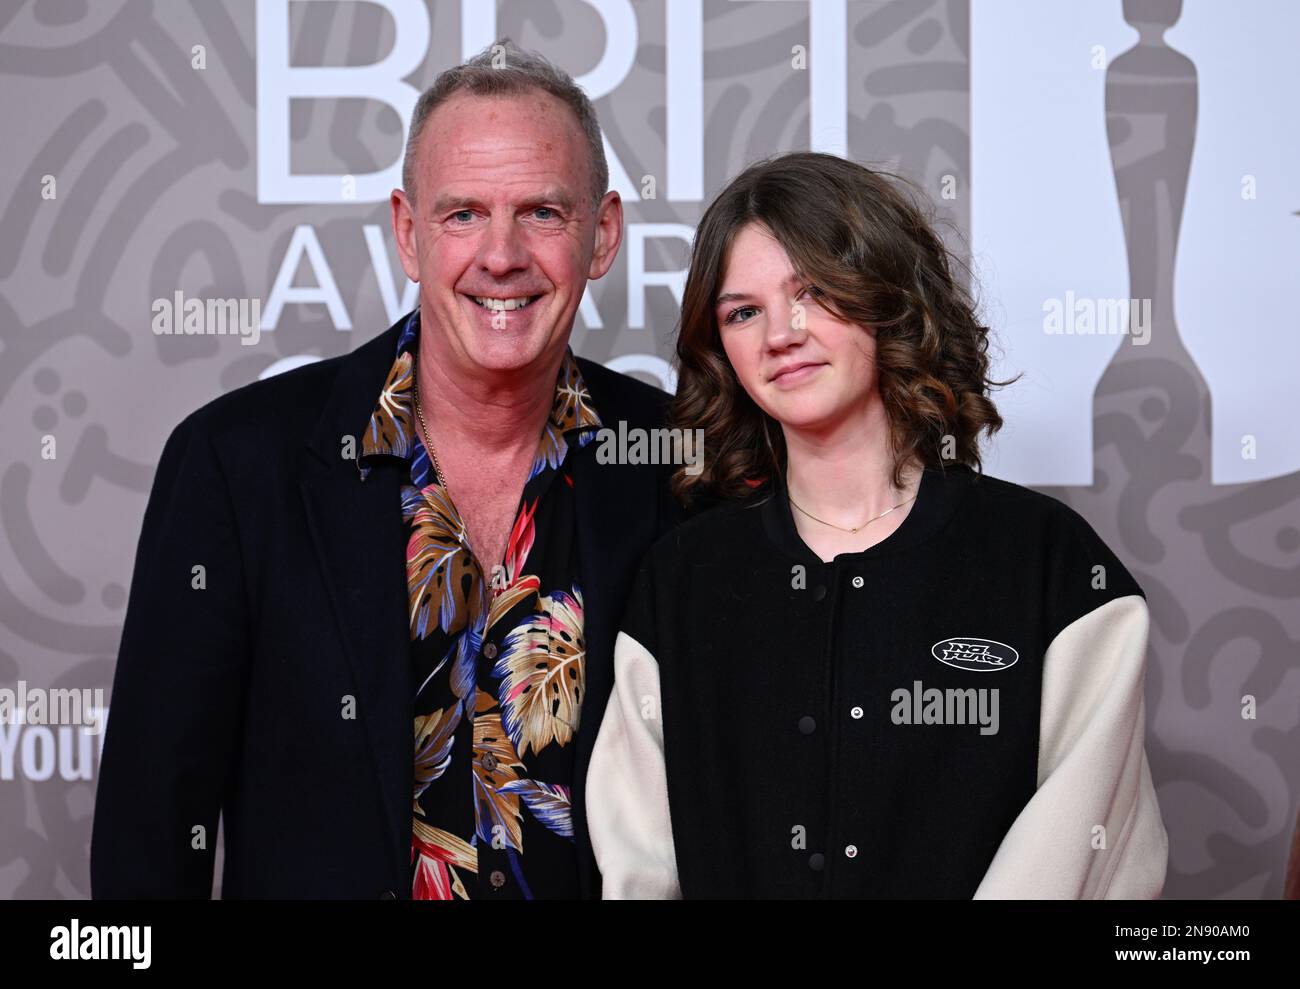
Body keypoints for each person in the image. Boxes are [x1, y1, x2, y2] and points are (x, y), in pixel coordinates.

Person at [91, 40, 679, 900]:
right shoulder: (236, 464)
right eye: (462, 214)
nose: (502, 254)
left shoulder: (679, 461)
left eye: (544, 214)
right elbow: (151, 833)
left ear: (604, 234)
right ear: (408, 232)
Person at [585, 151, 1169, 898]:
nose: (780, 334)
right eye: (742, 312)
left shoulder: (1052, 567)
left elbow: (1091, 849)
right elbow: (641, 861)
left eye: (815, 292)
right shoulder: (681, 580)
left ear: (889, 294)